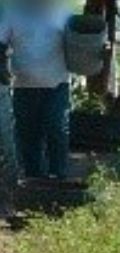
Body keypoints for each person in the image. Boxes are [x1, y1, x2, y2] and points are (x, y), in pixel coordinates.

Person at [0, 0, 72, 180]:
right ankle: (35, 181)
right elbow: (0, 44)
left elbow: (79, 44)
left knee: (56, 127)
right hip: (24, 86)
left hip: (57, 83)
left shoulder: (63, 13)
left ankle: (59, 176)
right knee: (29, 135)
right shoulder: (13, 12)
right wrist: (2, 68)